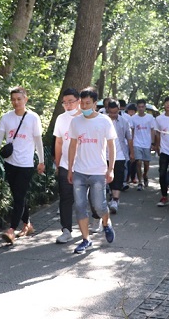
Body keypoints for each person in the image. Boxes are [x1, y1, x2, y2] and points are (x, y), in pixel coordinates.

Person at [0, 86, 45, 243]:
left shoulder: (33, 118)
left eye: (19, 99)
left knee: (19, 196)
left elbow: (38, 140)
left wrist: (41, 161)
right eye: (13, 99)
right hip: (10, 163)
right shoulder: (6, 117)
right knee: (18, 195)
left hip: (26, 164)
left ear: (26, 99)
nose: (16, 102)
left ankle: (11, 230)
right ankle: (27, 224)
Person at [68, 87, 117, 254]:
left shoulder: (104, 121)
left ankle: (106, 223)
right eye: (82, 103)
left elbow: (111, 146)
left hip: (98, 171)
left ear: (95, 104)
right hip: (79, 171)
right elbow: (73, 145)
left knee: (99, 206)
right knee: (80, 206)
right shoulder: (75, 122)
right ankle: (86, 239)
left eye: (88, 103)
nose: (84, 106)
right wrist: (70, 169)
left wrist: (111, 169)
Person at [52, 88, 81, 244]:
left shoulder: (86, 118)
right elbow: (59, 142)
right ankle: (66, 230)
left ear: (78, 101)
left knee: (87, 199)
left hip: (84, 166)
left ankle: (98, 218)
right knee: (65, 198)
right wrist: (58, 163)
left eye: (71, 102)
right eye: (65, 103)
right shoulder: (61, 119)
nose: (68, 105)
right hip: (65, 165)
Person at [106, 100, 134, 214]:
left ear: (119, 110)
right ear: (108, 110)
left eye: (115, 112)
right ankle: (111, 195)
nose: (113, 115)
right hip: (105, 155)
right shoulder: (103, 120)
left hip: (120, 154)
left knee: (118, 177)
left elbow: (129, 138)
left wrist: (132, 152)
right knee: (108, 178)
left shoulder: (124, 122)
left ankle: (115, 200)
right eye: (111, 112)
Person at [154, 96, 169, 207]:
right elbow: (157, 133)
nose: (168, 105)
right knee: (162, 173)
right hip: (164, 150)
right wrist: (157, 146)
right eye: (167, 102)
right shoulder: (159, 119)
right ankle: (164, 196)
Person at [130, 99, 156, 190]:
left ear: (145, 107)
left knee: (146, 163)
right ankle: (140, 182)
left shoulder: (150, 118)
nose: (141, 108)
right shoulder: (133, 118)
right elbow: (132, 131)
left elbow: (153, 130)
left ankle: (145, 175)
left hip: (147, 143)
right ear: (137, 107)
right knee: (138, 162)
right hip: (137, 143)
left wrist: (153, 142)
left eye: (142, 107)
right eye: (139, 107)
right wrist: (131, 143)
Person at [124, 103, 138, 186]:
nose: (131, 113)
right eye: (130, 111)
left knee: (134, 161)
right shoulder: (126, 118)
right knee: (128, 161)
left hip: (135, 142)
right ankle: (127, 177)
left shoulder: (136, 119)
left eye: (133, 111)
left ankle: (133, 176)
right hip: (127, 143)